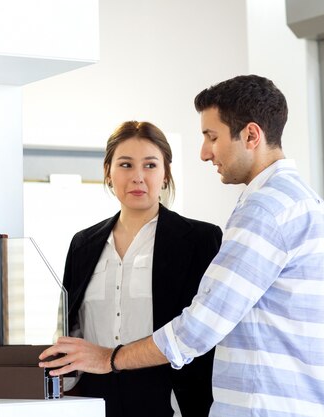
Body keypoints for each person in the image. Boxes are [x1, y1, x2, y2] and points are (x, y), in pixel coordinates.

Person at [40, 75, 324, 417]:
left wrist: (110, 358)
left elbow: (200, 327)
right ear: (108, 172)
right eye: (125, 164)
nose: (204, 153)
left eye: (211, 137)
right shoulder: (307, 205)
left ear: (251, 135)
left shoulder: (265, 211)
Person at [61, 120, 222, 417]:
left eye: (149, 165)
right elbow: (71, 328)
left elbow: (208, 332)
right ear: (108, 173)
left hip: (170, 401)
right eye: (125, 165)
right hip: (95, 401)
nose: (137, 177)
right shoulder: (83, 244)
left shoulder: (201, 240)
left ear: (165, 174)